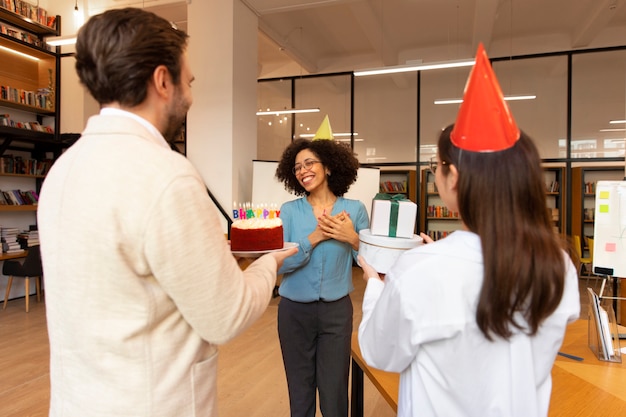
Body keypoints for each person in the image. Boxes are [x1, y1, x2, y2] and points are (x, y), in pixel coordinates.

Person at [37, 8, 296, 417]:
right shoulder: (167, 175)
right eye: (187, 82)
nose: (190, 96)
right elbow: (226, 315)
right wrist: (268, 263)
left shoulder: (62, 171)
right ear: (162, 80)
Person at [358, 44, 580, 417]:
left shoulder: (421, 269)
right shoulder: (558, 264)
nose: (435, 172)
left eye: (437, 165)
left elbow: (381, 353)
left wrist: (377, 286)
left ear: (455, 178)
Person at [274, 120, 369, 417]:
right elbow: (281, 263)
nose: (303, 171)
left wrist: (352, 238)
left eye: (309, 163)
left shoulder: (354, 210)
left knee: (335, 393)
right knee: (300, 393)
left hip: (336, 312)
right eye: (298, 167)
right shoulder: (289, 211)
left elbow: (370, 262)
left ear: (328, 166)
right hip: (293, 313)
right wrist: (314, 238)